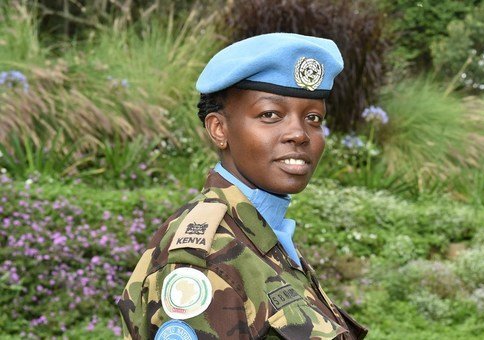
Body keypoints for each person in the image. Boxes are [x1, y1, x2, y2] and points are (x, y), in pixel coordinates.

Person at [118, 32, 368, 340]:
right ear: (219, 129)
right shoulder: (207, 258)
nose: (300, 134)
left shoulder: (263, 236)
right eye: (270, 114)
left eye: (313, 118)